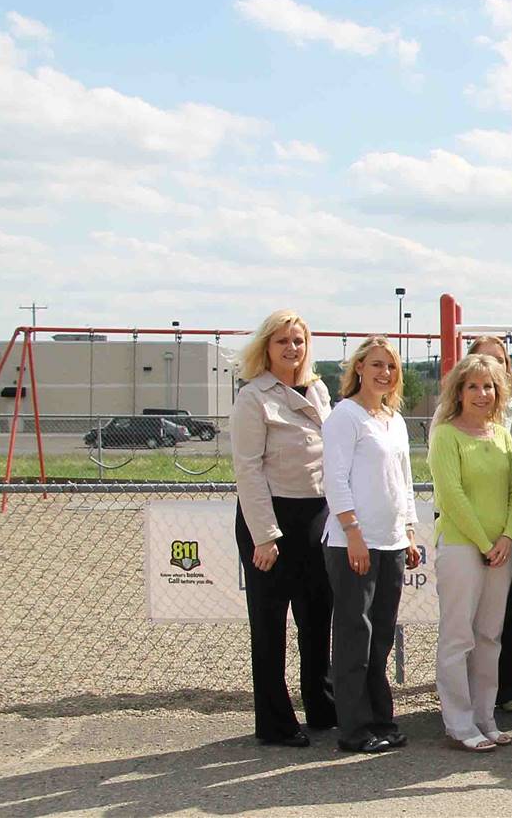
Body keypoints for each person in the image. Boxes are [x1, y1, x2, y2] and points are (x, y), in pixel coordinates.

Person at [230, 309, 336, 748]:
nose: (292, 348)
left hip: (317, 516)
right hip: (271, 518)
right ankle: (274, 723)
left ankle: (322, 707)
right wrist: (265, 535)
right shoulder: (253, 397)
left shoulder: (320, 389)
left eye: (298, 340)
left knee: (317, 621)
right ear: (266, 348)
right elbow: (248, 469)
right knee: (271, 627)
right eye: (283, 342)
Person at [321, 336, 421, 754]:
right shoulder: (345, 417)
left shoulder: (393, 419)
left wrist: (410, 531)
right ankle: (354, 728)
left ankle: (382, 718)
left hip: (391, 542)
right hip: (352, 544)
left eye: (391, 367)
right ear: (359, 367)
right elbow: (335, 479)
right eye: (377, 364)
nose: (384, 373)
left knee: (380, 637)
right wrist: (354, 533)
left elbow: (404, 479)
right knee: (353, 638)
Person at [428, 353, 512, 752]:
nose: (482, 394)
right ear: (459, 391)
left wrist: (506, 537)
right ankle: (459, 721)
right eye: (473, 386)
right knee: (457, 637)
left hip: (501, 550)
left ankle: (486, 716)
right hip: (461, 547)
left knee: (490, 636)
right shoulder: (446, 434)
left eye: (489, 386)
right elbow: (451, 495)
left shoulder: (502, 434)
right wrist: (485, 544)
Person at [465, 335, 512, 716]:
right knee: (468, 609)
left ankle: (505, 687)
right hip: (468, 524)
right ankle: (466, 691)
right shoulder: (455, 418)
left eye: (498, 361)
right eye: (482, 360)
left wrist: (510, 529)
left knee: (504, 606)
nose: (490, 368)